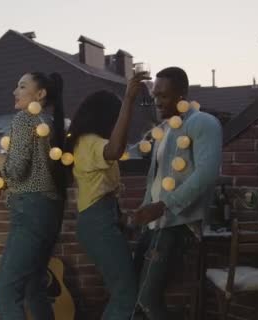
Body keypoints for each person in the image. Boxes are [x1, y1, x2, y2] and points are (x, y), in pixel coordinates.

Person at [0, 72, 66, 320]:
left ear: (40, 94)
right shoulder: (48, 122)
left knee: (4, 293)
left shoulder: (25, 119)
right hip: (48, 210)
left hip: (30, 210)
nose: (15, 92)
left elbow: (14, 170)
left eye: (22, 86)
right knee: (35, 289)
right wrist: (0, 180)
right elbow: (27, 172)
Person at [131, 67, 223, 319]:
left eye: (163, 95)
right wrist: (144, 209)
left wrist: (162, 206)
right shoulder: (166, 129)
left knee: (147, 299)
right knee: (135, 296)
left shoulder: (202, 123)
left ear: (182, 94)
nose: (157, 102)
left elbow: (206, 173)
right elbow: (156, 177)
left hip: (178, 224)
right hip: (156, 225)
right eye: (155, 96)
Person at [64, 71, 150, 319]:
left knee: (123, 290)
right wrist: (129, 101)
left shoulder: (90, 142)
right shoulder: (89, 142)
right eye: (115, 119)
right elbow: (114, 149)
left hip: (101, 219)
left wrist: (119, 217)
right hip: (97, 222)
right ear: (106, 117)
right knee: (125, 295)